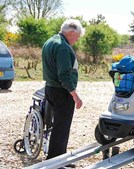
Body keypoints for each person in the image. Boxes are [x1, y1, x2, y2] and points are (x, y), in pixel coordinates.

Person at [42, 19, 84, 166]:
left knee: (58, 126)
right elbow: (64, 75)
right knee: (62, 127)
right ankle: (56, 163)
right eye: (77, 36)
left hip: (50, 88)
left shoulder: (50, 41)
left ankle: (59, 159)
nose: (77, 39)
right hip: (62, 92)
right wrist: (76, 96)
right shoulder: (63, 47)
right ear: (71, 32)